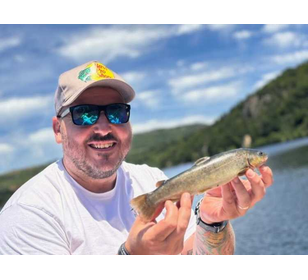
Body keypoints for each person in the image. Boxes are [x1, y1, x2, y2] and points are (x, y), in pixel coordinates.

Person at [0, 61, 273, 255]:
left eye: (117, 112)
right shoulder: (28, 216)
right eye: (84, 114)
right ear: (58, 130)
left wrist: (213, 223)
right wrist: (130, 259)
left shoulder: (153, 180)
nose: (104, 127)